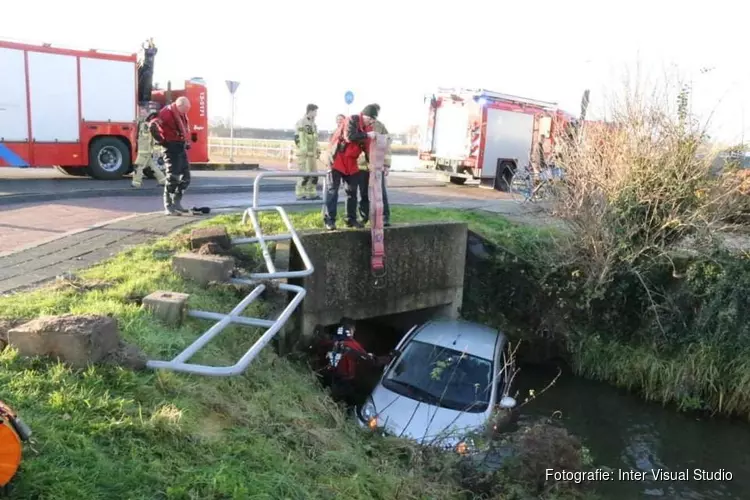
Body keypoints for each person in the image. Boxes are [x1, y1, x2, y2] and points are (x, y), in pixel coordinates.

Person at [316, 318, 395, 409]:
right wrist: (390, 357)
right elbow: (372, 361)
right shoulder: (353, 345)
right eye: (353, 330)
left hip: (324, 378)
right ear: (350, 330)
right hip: (342, 383)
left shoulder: (329, 340)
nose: (354, 332)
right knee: (354, 404)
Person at [324, 105, 378, 231]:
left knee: (352, 192)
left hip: (351, 162)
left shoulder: (367, 129)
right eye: (370, 119)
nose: (371, 122)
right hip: (337, 158)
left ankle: (351, 219)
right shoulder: (352, 119)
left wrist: (373, 164)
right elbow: (349, 136)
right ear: (366, 116)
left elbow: (367, 148)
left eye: (372, 121)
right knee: (333, 190)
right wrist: (367, 135)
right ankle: (330, 220)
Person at [149, 96, 197, 216]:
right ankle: (168, 206)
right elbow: (152, 126)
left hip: (180, 146)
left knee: (186, 177)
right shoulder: (166, 113)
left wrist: (186, 142)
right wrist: (162, 141)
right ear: (180, 105)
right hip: (170, 147)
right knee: (173, 176)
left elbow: (184, 129)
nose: (186, 112)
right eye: (185, 109)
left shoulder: (181, 114)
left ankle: (177, 203)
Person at [356, 103, 392, 226]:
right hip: (362, 164)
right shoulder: (358, 124)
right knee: (363, 192)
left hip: (377, 165)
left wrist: (386, 164)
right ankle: (364, 217)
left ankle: (384, 217)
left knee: (380, 191)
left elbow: (387, 146)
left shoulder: (380, 126)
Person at [132, 111, 167, 188]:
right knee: (153, 166)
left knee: (139, 166)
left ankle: (136, 183)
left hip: (144, 150)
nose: (144, 115)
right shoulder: (146, 124)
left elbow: (147, 138)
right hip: (146, 150)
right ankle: (163, 181)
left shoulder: (146, 125)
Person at [294, 104, 321, 200]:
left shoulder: (313, 124)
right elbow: (298, 138)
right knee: (304, 174)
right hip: (304, 155)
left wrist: (317, 150)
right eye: (315, 112)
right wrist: (303, 151)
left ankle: (311, 193)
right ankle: (300, 193)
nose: (316, 114)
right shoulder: (301, 122)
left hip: (312, 155)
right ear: (310, 111)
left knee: (314, 175)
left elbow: (315, 139)